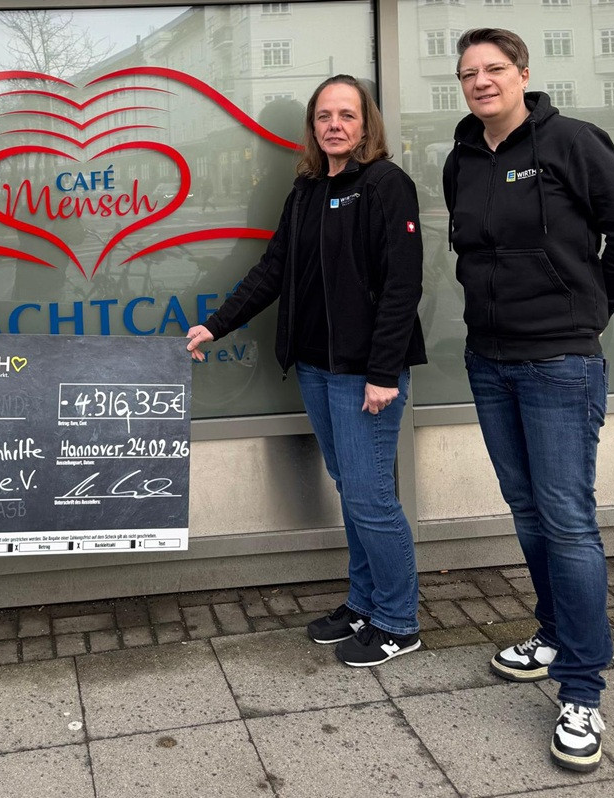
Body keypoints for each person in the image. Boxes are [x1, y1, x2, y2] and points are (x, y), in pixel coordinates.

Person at [443, 28, 614, 773]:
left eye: (494, 69)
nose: (481, 81)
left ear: (524, 74)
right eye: (468, 72)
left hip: (560, 362)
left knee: (567, 520)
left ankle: (583, 689)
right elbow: (471, 251)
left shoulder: (572, 143)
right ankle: (557, 632)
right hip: (490, 362)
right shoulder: (463, 157)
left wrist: (589, 307)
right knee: (528, 511)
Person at [187, 75, 426, 667]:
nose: (335, 125)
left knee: (371, 497)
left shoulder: (386, 185)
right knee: (352, 492)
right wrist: (217, 324)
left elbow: (402, 286)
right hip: (318, 369)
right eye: (324, 116)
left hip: (364, 373)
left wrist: (383, 372)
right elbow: (273, 270)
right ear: (313, 128)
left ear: (366, 123)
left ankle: (399, 620)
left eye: (347, 114)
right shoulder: (308, 189)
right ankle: (364, 602)